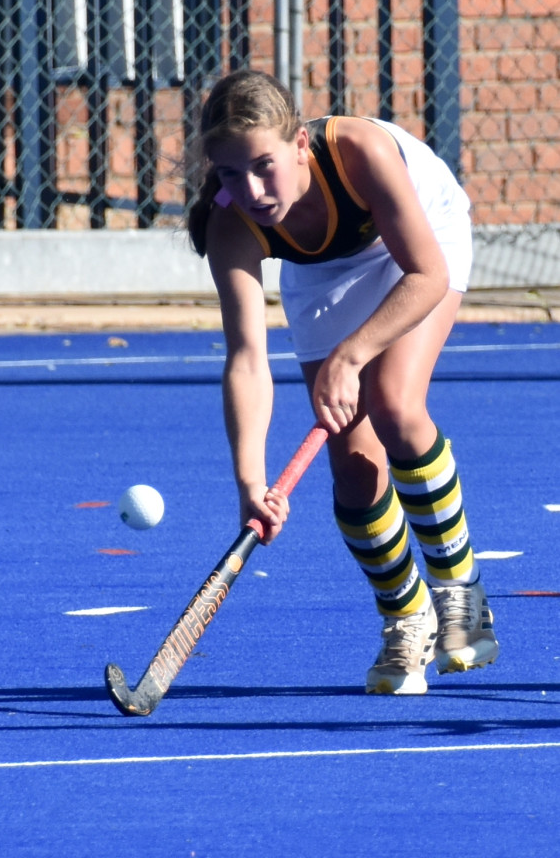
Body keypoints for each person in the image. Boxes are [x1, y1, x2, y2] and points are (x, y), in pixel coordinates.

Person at [187, 68, 498, 695]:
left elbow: (428, 276)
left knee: (393, 404)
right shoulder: (231, 224)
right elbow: (247, 360)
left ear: (300, 144)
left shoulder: (360, 152)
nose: (252, 190)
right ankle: (406, 618)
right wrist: (251, 482)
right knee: (354, 470)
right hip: (323, 274)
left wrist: (353, 355)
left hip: (419, 239)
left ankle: (459, 593)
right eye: (231, 174)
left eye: (264, 166)